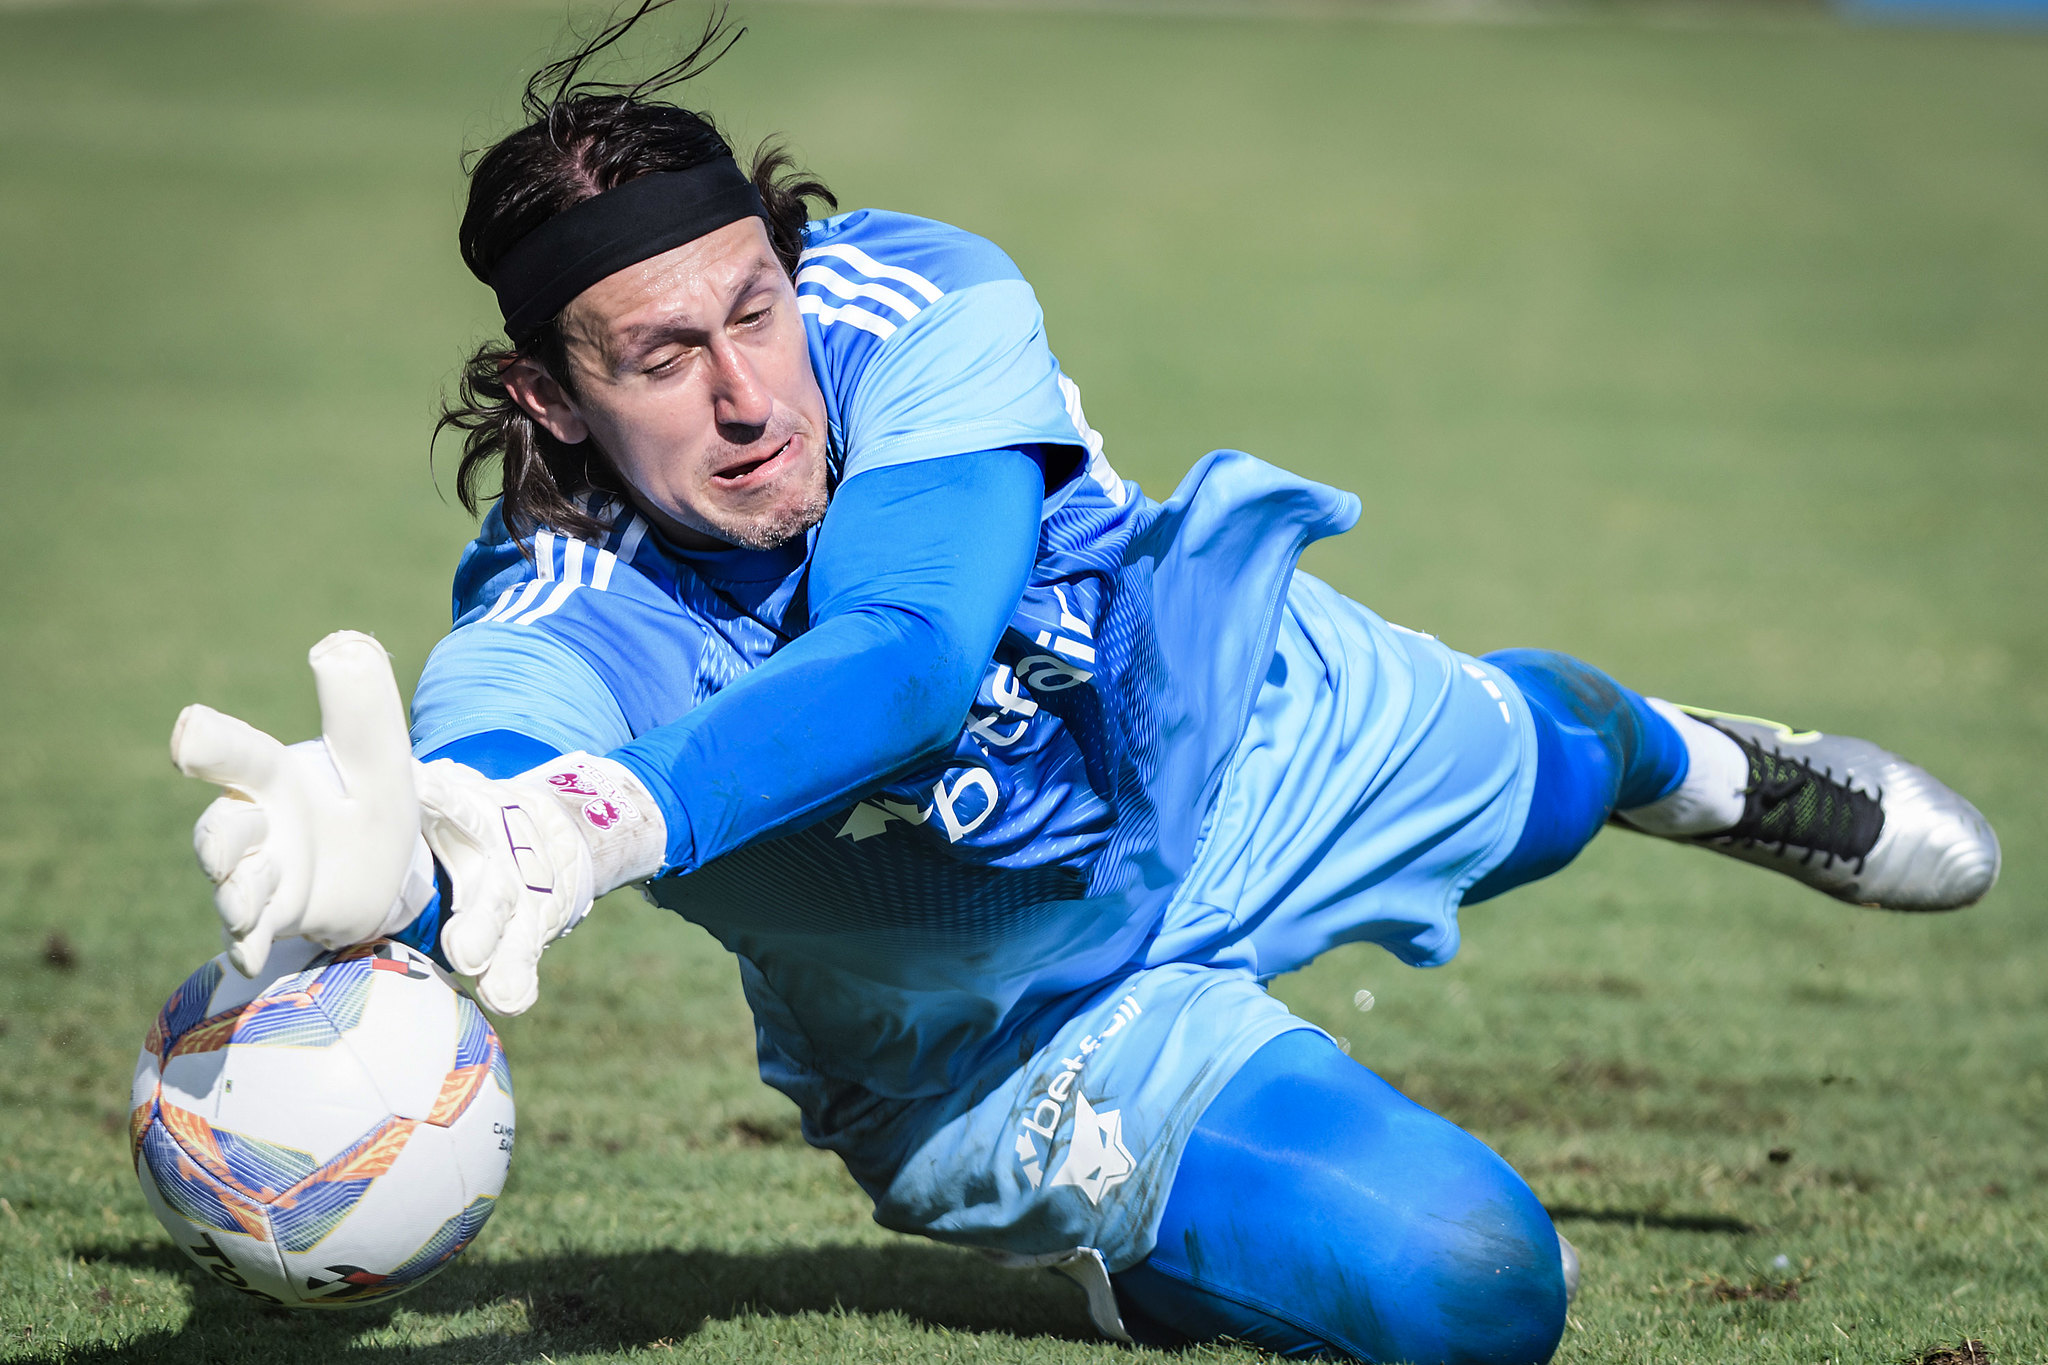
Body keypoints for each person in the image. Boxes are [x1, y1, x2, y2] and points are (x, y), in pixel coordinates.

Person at [167, 8, 2000, 1360]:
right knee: (1474, 1286)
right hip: (991, 1023)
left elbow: (908, 657)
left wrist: (599, 814)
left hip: (1253, 735)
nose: (747, 393)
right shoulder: (555, 608)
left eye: (752, 310)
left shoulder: (922, 304)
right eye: (661, 355)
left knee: (1570, 761)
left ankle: (1718, 770)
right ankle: (1162, 1248)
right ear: (554, 400)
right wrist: (413, 862)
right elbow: (490, 771)